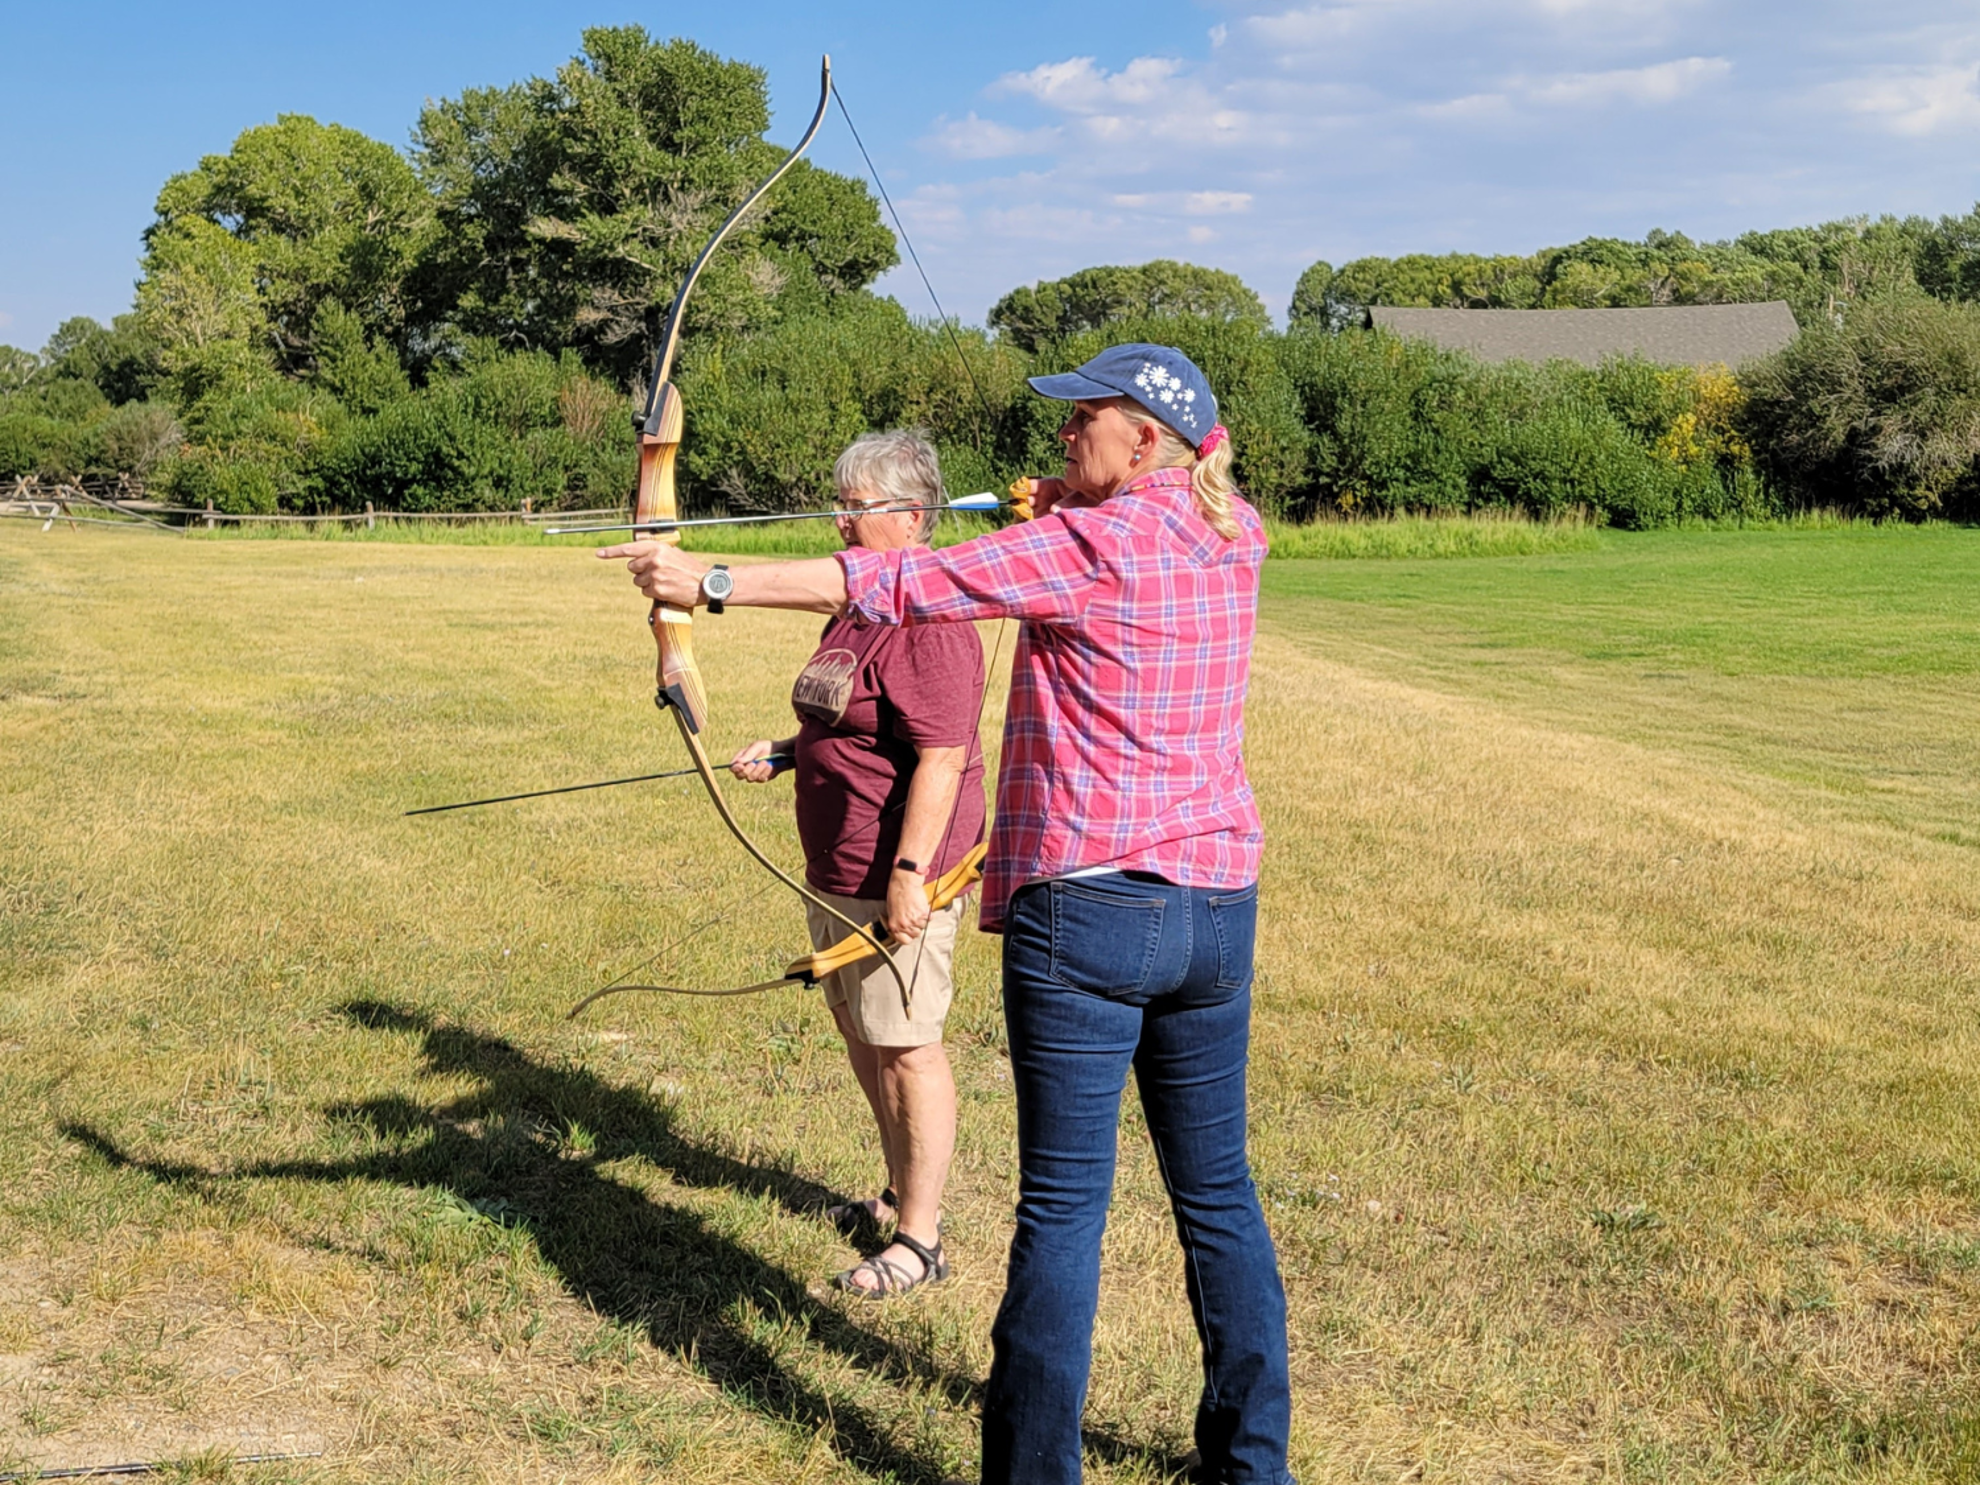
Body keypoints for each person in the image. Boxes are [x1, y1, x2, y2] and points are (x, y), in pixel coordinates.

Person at [603, 346, 1292, 1484]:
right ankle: (1254, 1467)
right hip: (1217, 909)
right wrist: (1068, 493)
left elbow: (907, 584)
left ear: (1149, 441)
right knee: (1218, 1196)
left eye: (1087, 423)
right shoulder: (1235, 527)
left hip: (1093, 914)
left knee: (1065, 1213)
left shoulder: (1084, 546)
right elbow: (1107, 524)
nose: (1062, 436)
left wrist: (709, 583)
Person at [727, 429, 986, 1299]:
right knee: (863, 1030)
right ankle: (900, 1190)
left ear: (913, 518)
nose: (841, 519)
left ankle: (921, 1237)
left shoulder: (933, 615)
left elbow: (942, 756)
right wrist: (790, 749)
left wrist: (911, 872)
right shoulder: (857, 603)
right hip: (836, 863)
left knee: (908, 1043)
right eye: (839, 501)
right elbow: (853, 715)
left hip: (896, 873)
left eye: (859, 506)